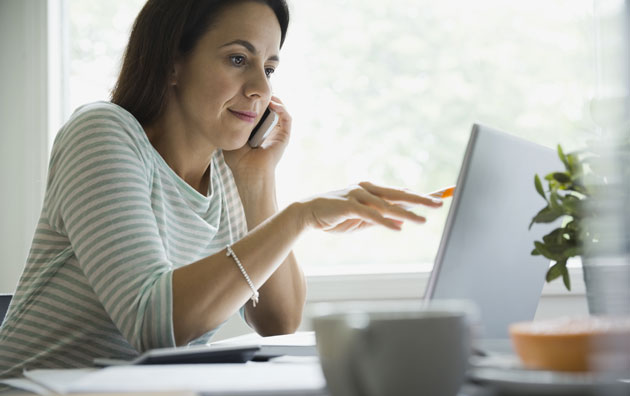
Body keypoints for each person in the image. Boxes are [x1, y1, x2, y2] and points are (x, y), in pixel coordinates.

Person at [0, 0, 442, 379]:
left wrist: (257, 180)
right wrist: (300, 216)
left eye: (269, 67)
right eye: (237, 60)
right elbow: (156, 323)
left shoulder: (228, 170)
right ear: (172, 62)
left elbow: (278, 321)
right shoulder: (101, 133)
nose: (261, 88)